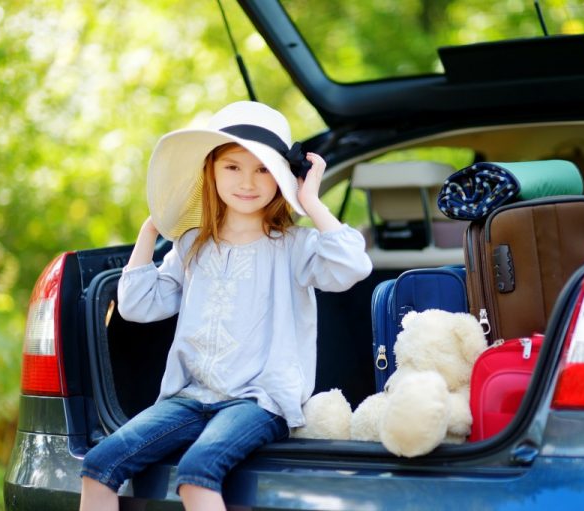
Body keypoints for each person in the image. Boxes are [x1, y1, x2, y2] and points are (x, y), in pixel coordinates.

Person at [79, 101, 372, 511]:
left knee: (197, 472)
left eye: (263, 169)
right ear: (211, 173)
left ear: (281, 178)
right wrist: (152, 227)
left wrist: (311, 201)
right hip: (190, 397)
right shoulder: (192, 245)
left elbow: (352, 266)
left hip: (260, 401)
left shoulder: (296, 247)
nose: (247, 182)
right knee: (98, 465)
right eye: (232, 167)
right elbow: (138, 305)